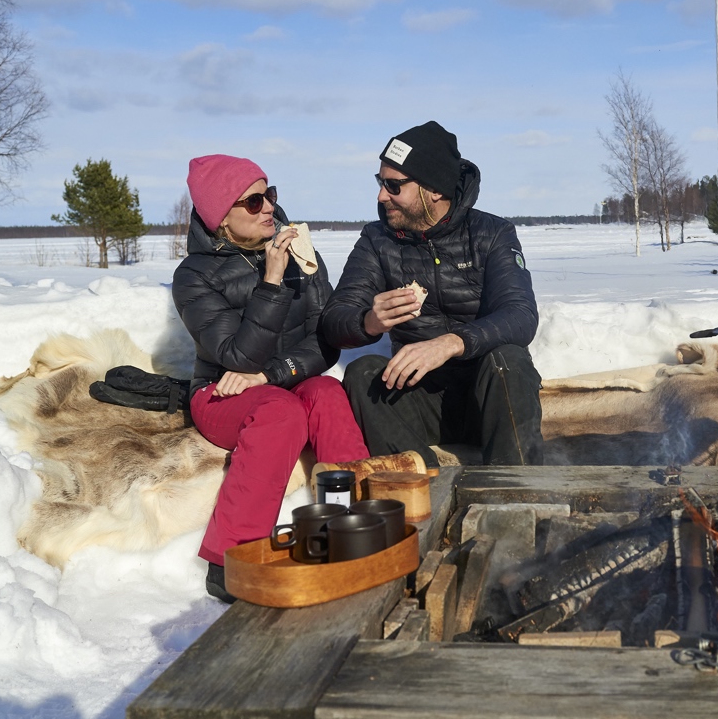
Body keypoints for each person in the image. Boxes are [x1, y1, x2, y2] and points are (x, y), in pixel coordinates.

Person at [173, 154, 370, 602]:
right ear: (220, 218)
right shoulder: (193, 277)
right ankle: (230, 559)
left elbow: (324, 342)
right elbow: (236, 356)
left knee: (326, 391)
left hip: (276, 381)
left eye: (271, 195)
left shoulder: (300, 250)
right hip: (219, 394)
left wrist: (272, 374)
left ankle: (350, 521)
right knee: (281, 411)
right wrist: (272, 281)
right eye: (254, 200)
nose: (269, 208)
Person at [320, 121, 544, 468]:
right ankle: (425, 489)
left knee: (508, 360)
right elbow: (335, 319)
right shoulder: (377, 241)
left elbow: (520, 314)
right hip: (419, 399)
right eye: (380, 183)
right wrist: (368, 321)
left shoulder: (492, 233)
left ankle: (516, 495)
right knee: (363, 373)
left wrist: (450, 343)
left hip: (487, 396)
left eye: (394, 185)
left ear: (434, 190)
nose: (382, 196)